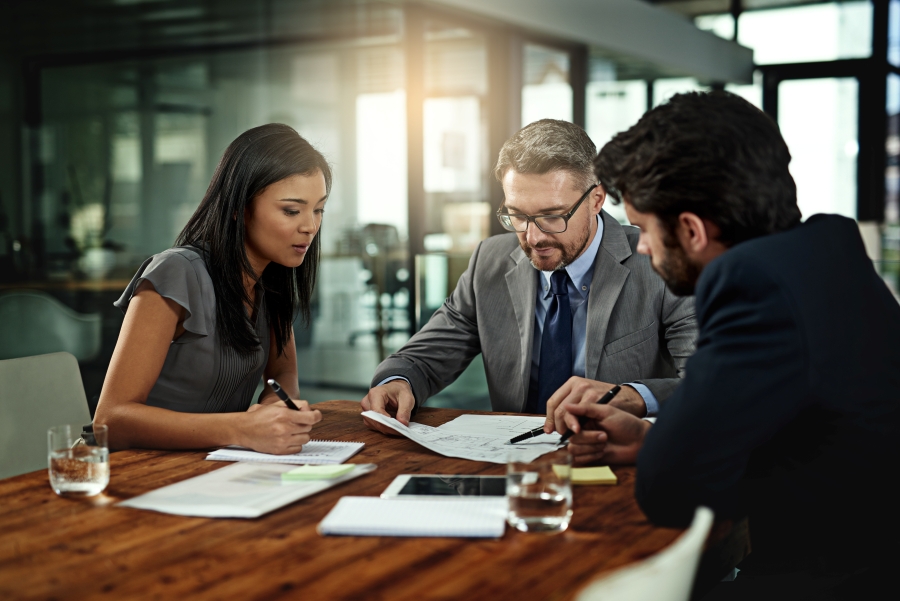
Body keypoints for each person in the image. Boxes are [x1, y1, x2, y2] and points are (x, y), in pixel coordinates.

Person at [558, 91, 900, 596]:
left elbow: (669, 489)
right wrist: (650, 439)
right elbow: (803, 440)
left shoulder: (753, 283)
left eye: (645, 229)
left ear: (692, 230)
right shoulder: (827, 252)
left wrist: (664, 451)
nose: (643, 247)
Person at [362, 119, 697, 434]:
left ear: (596, 199)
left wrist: (634, 395)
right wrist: (398, 382)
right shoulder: (489, 262)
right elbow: (423, 358)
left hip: (619, 464)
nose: (533, 237)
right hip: (514, 466)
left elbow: (710, 382)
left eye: (552, 216)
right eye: (517, 216)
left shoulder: (660, 263)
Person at [93, 124, 327, 454]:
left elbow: (283, 371)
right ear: (238, 208)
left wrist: (277, 407)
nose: (310, 226)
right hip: (128, 471)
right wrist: (243, 428)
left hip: (206, 468)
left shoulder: (272, 279)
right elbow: (110, 421)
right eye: (292, 210)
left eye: (318, 209)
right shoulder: (176, 273)